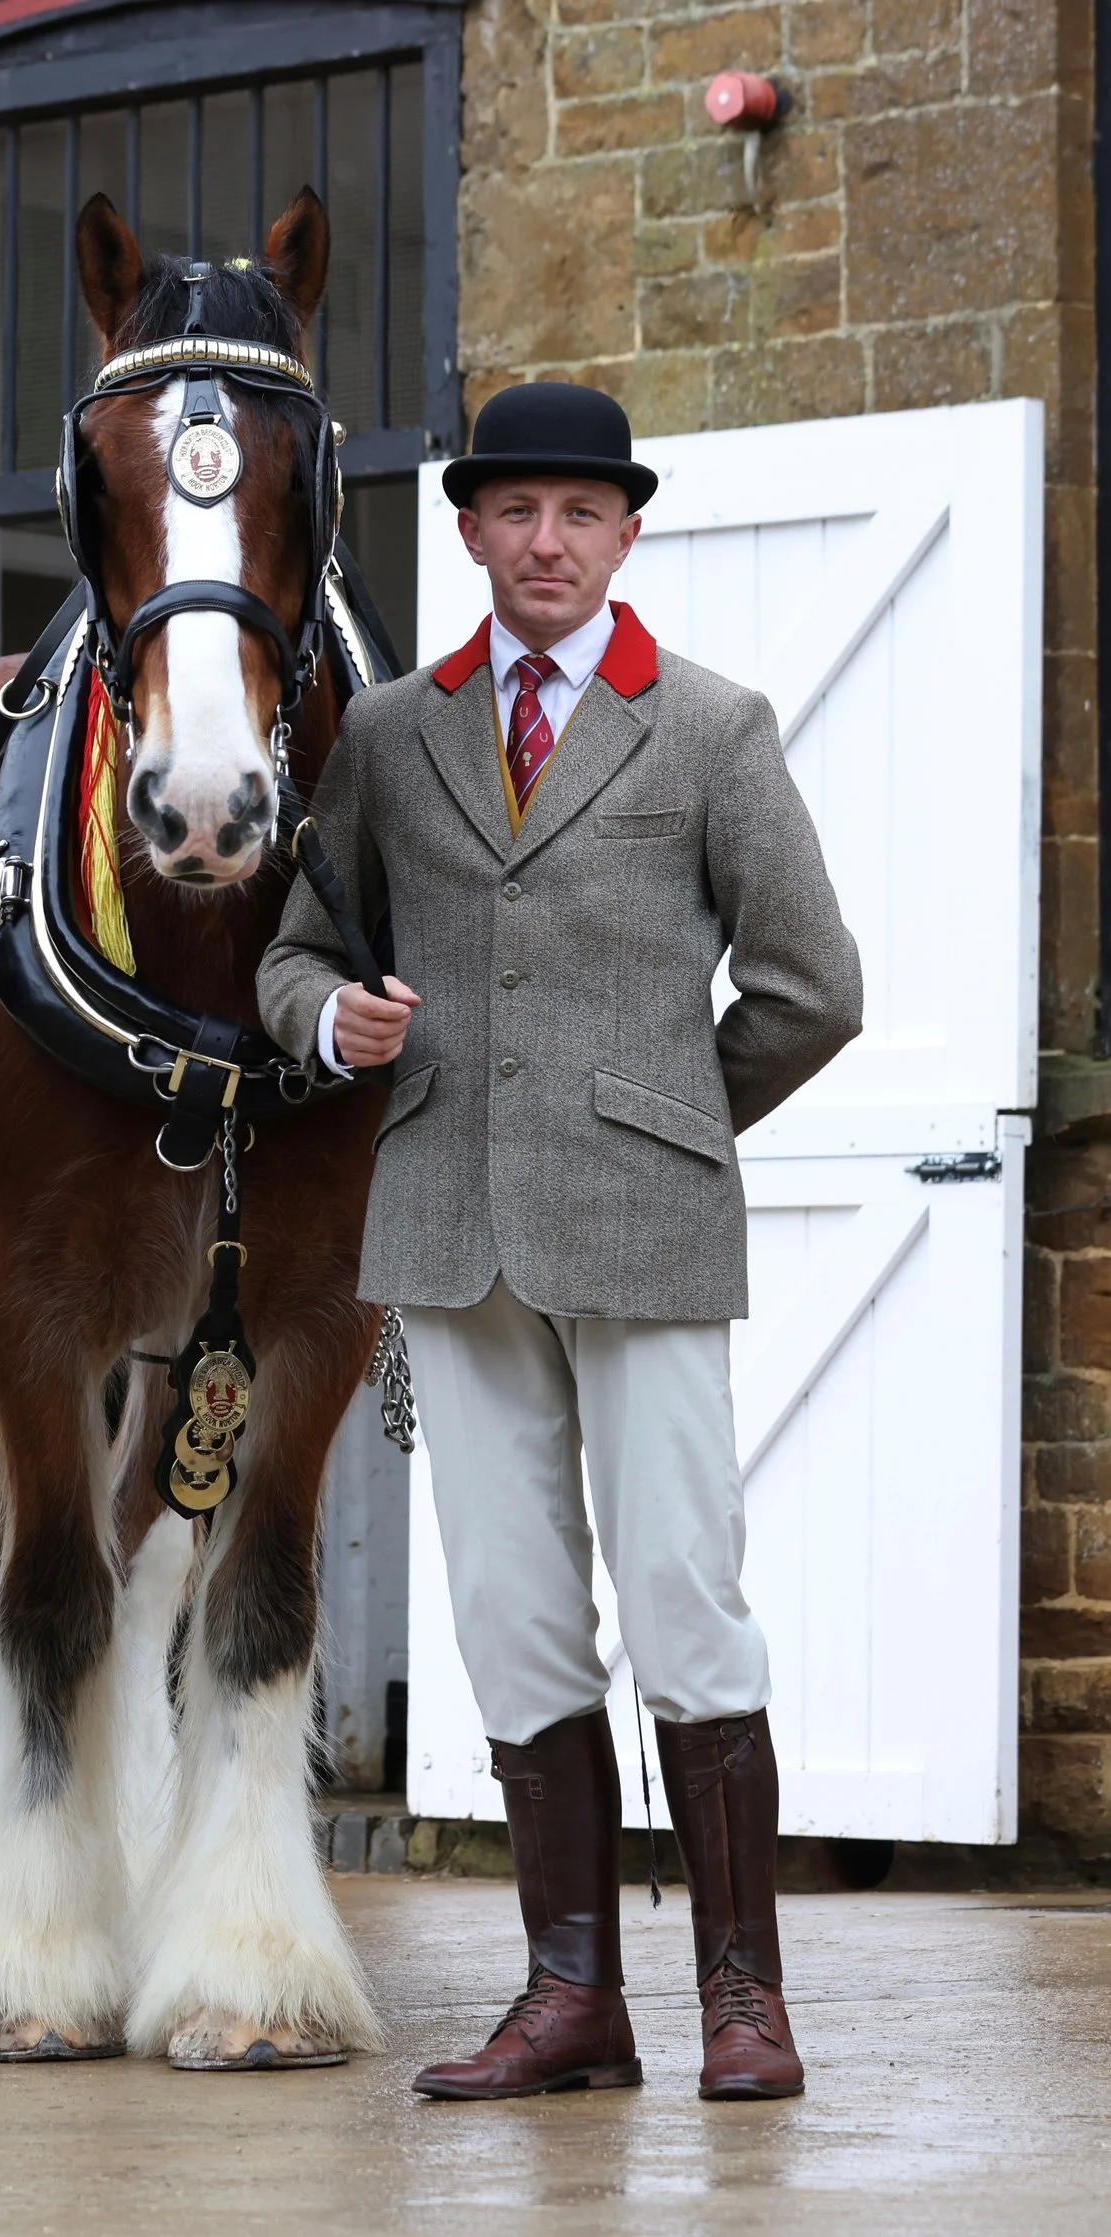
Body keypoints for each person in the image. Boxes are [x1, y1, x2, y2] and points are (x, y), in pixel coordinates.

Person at [258, 382, 862, 2102]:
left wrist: (668, 1116)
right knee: (514, 1614)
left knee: (685, 1597)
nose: (546, 542)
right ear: (467, 533)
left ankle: (742, 2000)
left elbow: (818, 988)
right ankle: (569, 2000)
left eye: (578, 514)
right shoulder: (387, 735)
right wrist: (327, 1029)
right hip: (450, 1227)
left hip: (644, 1225)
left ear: (625, 533)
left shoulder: (712, 729)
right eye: (513, 512)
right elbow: (294, 952)